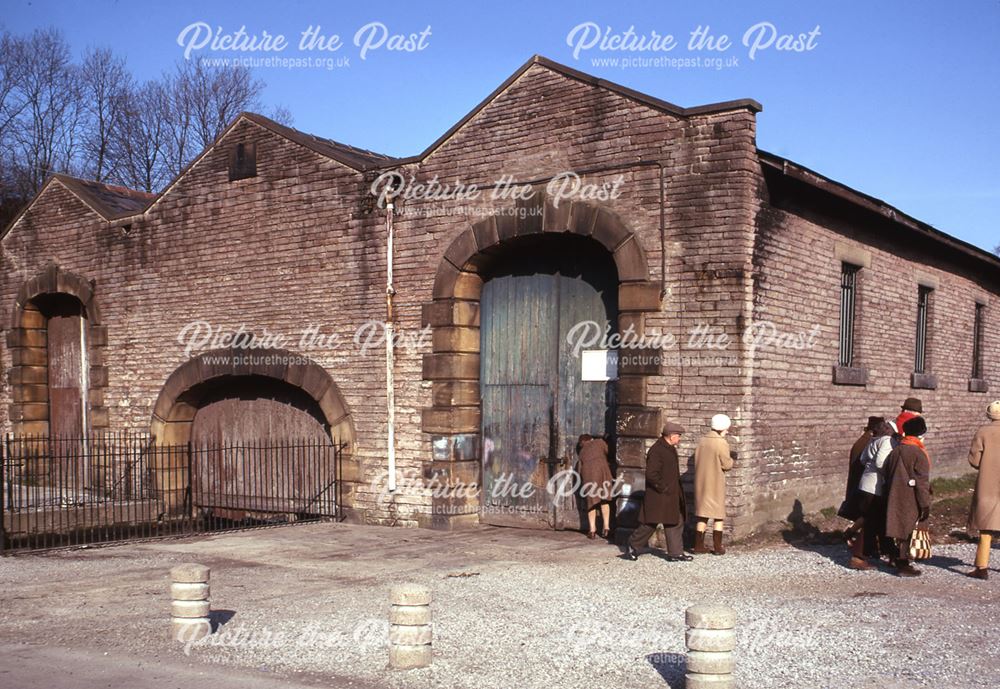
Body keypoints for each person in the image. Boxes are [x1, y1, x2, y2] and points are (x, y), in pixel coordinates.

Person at [625, 422, 691, 562]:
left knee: (675, 521)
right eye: (678, 436)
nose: (679, 439)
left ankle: (676, 553)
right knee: (650, 523)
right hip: (658, 495)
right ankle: (632, 545)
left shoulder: (669, 448)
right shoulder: (657, 450)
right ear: (672, 436)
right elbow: (651, 474)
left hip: (671, 494)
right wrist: (663, 488)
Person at [883, 416, 931, 577]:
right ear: (920, 433)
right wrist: (925, 503)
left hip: (894, 494)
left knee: (898, 528)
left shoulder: (896, 450)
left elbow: (886, 471)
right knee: (909, 530)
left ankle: (896, 558)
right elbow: (922, 481)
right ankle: (903, 564)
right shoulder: (918, 452)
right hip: (912, 496)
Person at [846, 420, 897, 570]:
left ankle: (889, 552)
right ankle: (858, 556)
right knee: (871, 522)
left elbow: (863, 459)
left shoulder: (874, 440)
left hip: (865, 483)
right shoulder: (887, 441)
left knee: (877, 520)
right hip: (875, 486)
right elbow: (881, 463)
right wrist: (891, 474)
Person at [966, 400, 1000, 580]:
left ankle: (982, 567)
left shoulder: (983, 432)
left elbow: (974, 460)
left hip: (988, 483)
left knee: (986, 526)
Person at [694, 414, 734, 555]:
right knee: (718, 516)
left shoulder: (702, 441)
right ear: (723, 427)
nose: (728, 431)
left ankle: (698, 545)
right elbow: (727, 464)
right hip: (715, 483)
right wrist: (732, 459)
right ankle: (718, 547)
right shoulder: (721, 443)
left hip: (701, 483)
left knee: (703, 515)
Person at [840, 416, 884, 526]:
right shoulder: (867, 443)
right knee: (865, 517)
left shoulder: (865, 440)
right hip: (862, 485)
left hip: (860, 484)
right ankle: (852, 535)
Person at [577, 433, 614, 539]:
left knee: (591, 503)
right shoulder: (600, 443)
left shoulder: (582, 452)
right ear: (591, 439)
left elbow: (579, 470)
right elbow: (609, 451)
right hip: (603, 474)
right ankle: (606, 528)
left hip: (589, 477)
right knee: (605, 500)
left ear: (582, 443)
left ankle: (592, 530)